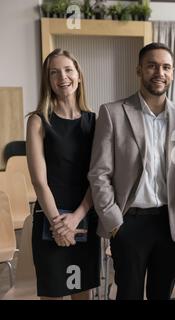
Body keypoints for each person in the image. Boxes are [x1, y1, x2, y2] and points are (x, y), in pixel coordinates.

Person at [88, 42, 175, 300]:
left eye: (166, 67)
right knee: (129, 295)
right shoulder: (112, 113)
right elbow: (99, 173)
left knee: (162, 295)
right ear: (139, 70)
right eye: (152, 66)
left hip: (169, 224)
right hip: (129, 223)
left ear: (173, 73)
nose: (159, 72)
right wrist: (114, 223)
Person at [26, 48, 100, 300]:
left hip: (85, 218)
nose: (62, 77)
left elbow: (98, 177)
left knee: (82, 293)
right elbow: (39, 181)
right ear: (48, 80)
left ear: (78, 75)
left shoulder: (94, 122)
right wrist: (59, 225)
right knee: (53, 294)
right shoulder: (38, 121)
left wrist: (77, 217)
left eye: (68, 70)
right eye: (54, 72)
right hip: (50, 217)